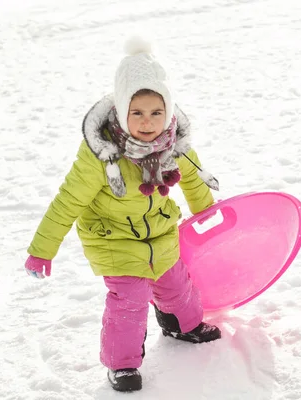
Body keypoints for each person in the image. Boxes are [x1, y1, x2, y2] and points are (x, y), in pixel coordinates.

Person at [23, 38, 222, 393]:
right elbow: (68, 201)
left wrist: (209, 217)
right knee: (128, 303)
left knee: (178, 286)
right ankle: (123, 364)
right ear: (120, 111)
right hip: (113, 239)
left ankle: (182, 324)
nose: (147, 123)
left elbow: (192, 178)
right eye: (137, 113)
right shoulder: (101, 156)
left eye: (156, 113)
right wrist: (43, 248)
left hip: (159, 234)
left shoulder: (172, 145)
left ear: (169, 112)